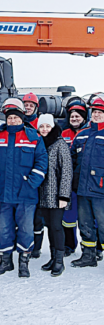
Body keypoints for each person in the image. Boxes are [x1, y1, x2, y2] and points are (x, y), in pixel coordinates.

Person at [0, 98, 47, 278]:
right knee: (2, 230)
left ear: (22, 118)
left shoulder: (33, 137)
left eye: (16, 117)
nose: (12, 121)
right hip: (2, 193)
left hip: (26, 194)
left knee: (26, 230)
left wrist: (32, 182)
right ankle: (5, 261)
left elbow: (42, 161)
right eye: (10, 118)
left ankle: (24, 262)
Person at [36, 114, 72, 277]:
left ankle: (59, 260)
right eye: (41, 126)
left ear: (52, 127)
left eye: (47, 126)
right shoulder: (39, 143)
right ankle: (52, 257)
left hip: (56, 195)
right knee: (49, 226)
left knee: (57, 227)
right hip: (43, 195)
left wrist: (64, 196)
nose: (44, 129)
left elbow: (66, 171)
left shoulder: (60, 144)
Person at [71, 96, 104, 269]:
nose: (97, 115)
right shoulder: (82, 135)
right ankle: (88, 255)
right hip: (82, 189)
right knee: (85, 224)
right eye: (95, 112)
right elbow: (72, 160)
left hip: (101, 190)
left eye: (100, 112)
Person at [61, 99, 89, 257]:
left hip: (86, 182)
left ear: (84, 118)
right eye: (72, 116)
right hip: (68, 183)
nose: (75, 119)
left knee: (88, 218)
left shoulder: (89, 133)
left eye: (78, 116)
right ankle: (69, 245)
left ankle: (93, 249)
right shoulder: (63, 133)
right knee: (68, 218)